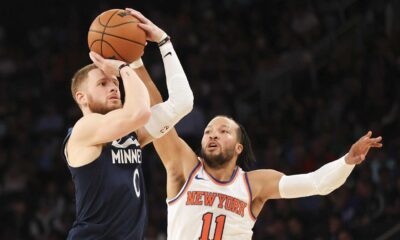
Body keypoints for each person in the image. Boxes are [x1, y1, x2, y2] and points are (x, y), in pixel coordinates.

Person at [127, 10, 384, 240]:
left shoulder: (255, 184)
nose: (212, 136)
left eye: (223, 131)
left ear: (239, 147)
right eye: (208, 132)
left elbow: (317, 183)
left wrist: (347, 161)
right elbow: (158, 109)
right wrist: (136, 61)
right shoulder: (183, 166)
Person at [62, 8, 193, 239]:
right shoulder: (84, 130)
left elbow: (182, 103)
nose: (114, 86)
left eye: (115, 82)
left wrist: (163, 41)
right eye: (103, 83)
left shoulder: (129, 135)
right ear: (81, 97)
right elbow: (140, 112)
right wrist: (123, 67)